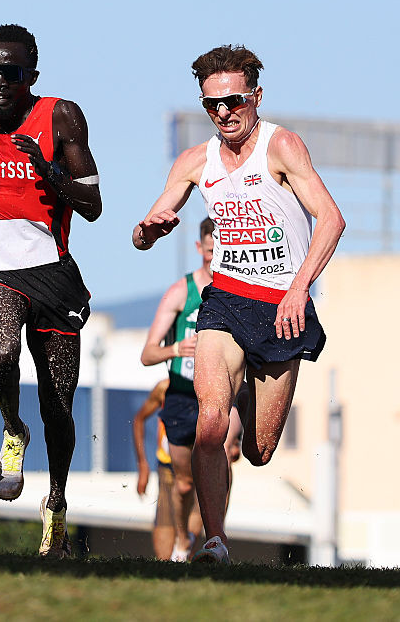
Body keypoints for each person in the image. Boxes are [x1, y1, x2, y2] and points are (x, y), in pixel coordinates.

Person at [132, 45, 345, 564]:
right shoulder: (194, 162)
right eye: (213, 104)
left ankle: (246, 394)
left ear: (257, 96)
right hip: (225, 300)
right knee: (209, 424)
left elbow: (332, 219)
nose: (224, 112)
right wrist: (147, 231)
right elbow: (142, 231)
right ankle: (215, 542)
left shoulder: (281, 146)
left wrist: (299, 287)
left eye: (234, 101)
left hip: (280, 307)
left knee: (258, 449)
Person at [0, 24, 102, 558]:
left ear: (31, 75)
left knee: (58, 406)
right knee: (2, 350)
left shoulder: (60, 117)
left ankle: (57, 506)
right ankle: (12, 429)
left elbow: (94, 205)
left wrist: (49, 172)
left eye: (10, 72)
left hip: (53, 275)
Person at [139, 217, 243, 561]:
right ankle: (184, 539)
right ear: (200, 248)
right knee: (184, 483)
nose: (215, 258)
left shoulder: (238, 291)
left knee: (222, 450)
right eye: (210, 251)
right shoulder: (181, 292)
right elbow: (147, 354)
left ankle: (216, 540)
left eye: (222, 251)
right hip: (183, 397)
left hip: (223, 394)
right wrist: (176, 349)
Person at [131, 379, 201, 560]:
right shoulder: (165, 387)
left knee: (187, 551)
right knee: (164, 556)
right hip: (168, 469)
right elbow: (139, 419)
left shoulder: (210, 383)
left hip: (199, 470)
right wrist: (142, 465)